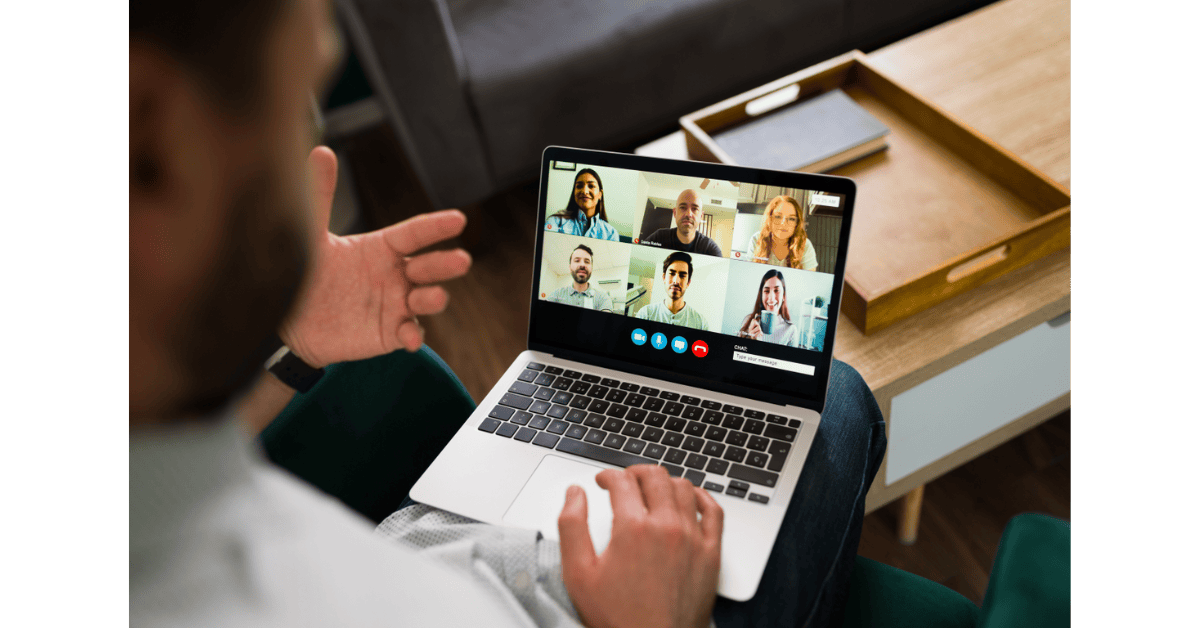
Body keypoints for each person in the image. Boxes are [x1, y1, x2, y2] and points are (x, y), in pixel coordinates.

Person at [129, 1, 886, 627]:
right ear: (166, 144)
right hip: (625, 608)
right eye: (299, 108)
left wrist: (292, 351)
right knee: (843, 399)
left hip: (440, 535)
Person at [635, 252, 709, 331]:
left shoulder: (700, 323)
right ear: (664, 278)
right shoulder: (645, 314)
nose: (676, 281)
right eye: (672, 273)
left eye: (682, 275)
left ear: (688, 283)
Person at [641, 189, 723, 256]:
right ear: (675, 213)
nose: (688, 214)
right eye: (683, 207)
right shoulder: (658, 238)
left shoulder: (710, 249)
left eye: (694, 209)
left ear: (701, 216)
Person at [545, 169, 621, 241]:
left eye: (591, 186)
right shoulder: (555, 222)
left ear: (600, 194)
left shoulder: (611, 234)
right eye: (579, 186)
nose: (584, 191)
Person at [748, 195, 817, 271]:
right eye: (778, 217)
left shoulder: (805, 245)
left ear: (796, 223)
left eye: (791, 219)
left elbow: (808, 279)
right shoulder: (757, 239)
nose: (783, 224)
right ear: (769, 218)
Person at [737, 269, 801, 347]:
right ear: (761, 295)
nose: (771, 298)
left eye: (776, 290)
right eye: (766, 291)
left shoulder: (791, 330)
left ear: (783, 296)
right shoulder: (748, 321)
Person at [546, 244, 614, 312]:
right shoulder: (556, 294)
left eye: (587, 262)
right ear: (570, 267)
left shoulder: (603, 298)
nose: (582, 265)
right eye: (577, 260)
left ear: (591, 268)